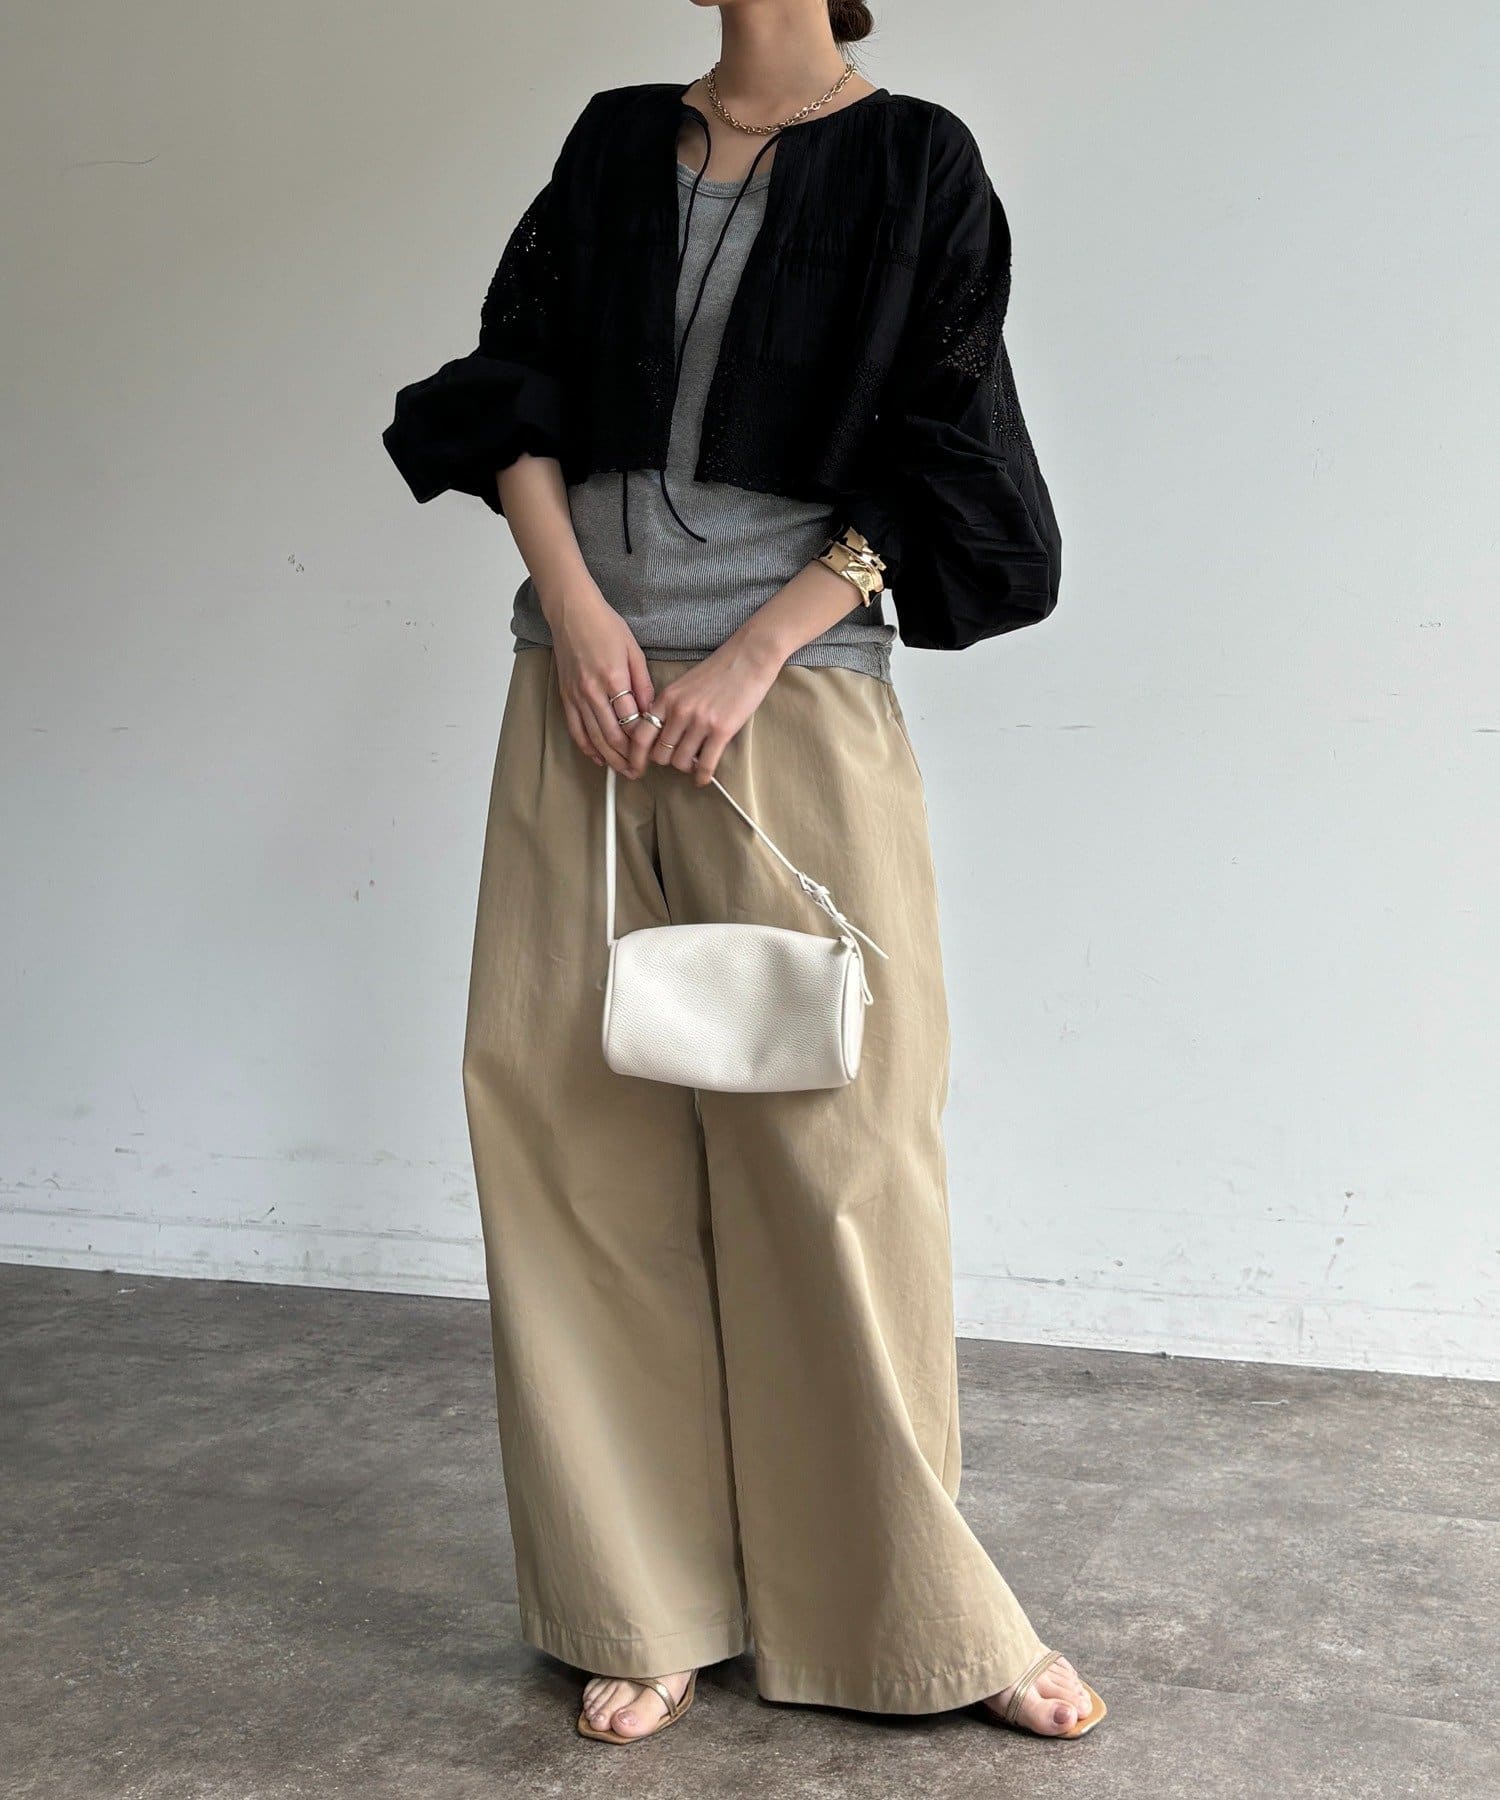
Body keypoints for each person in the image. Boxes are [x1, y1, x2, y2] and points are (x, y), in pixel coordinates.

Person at [382, 0, 1104, 1749]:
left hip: (786, 708)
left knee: (844, 1158)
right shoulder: (617, 138)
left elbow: (942, 443)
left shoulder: (916, 158)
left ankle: (916, 1613)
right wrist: (575, 611)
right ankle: (639, 1602)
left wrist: (753, 655)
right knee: (573, 1144)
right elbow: (510, 384)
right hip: (582, 702)